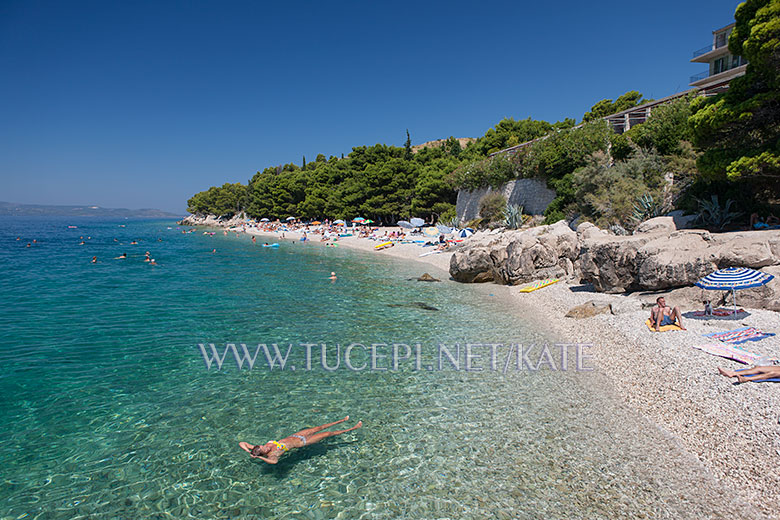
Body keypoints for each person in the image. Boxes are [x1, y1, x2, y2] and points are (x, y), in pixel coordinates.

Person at [239, 416, 362, 465]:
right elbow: (274, 462)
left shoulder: (259, 448)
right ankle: (353, 428)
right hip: (303, 442)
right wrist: (260, 458)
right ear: (264, 452)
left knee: (319, 427)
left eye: (261, 446)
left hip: (297, 435)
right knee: (328, 434)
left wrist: (249, 452)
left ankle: (342, 420)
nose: (264, 445)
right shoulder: (272, 454)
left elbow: (242, 443)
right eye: (263, 448)